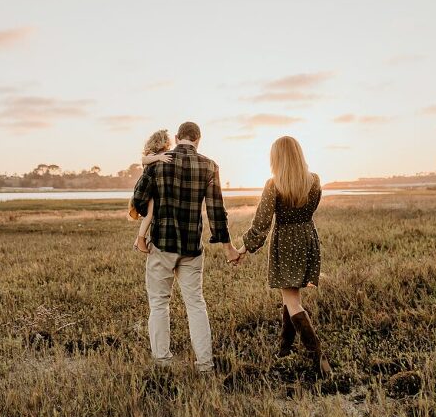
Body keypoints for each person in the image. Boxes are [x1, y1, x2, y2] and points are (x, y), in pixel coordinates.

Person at [131, 121, 239, 372]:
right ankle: (204, 364)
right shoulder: (209, 166)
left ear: (178, 137)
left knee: (159, 303)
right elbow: (216, 211)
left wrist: (147, 218)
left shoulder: (158, 162)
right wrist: (228, 247)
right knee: (196, 303)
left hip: (162, 244)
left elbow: (138, 198)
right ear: (198, 139)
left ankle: (163, 362)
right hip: (192, 247)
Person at [231, 136, 332, 375]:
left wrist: (243, 248)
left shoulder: (274, 184)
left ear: (277, 158)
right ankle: (284, 348)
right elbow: (311, 208)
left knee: (292, 300)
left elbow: (262, 223)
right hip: (308, 239)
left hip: (286, 242)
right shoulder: (314, 181)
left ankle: (319, 359)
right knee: (290, 296)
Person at [129, 129, 173, 253]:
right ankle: (141, 240)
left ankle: (138, 241)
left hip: (149, 190)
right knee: (149, 215)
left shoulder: (156, 156)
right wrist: (159, 157)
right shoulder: (151, 155)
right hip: (146, 191)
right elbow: (144, 160)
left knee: (151, 216)